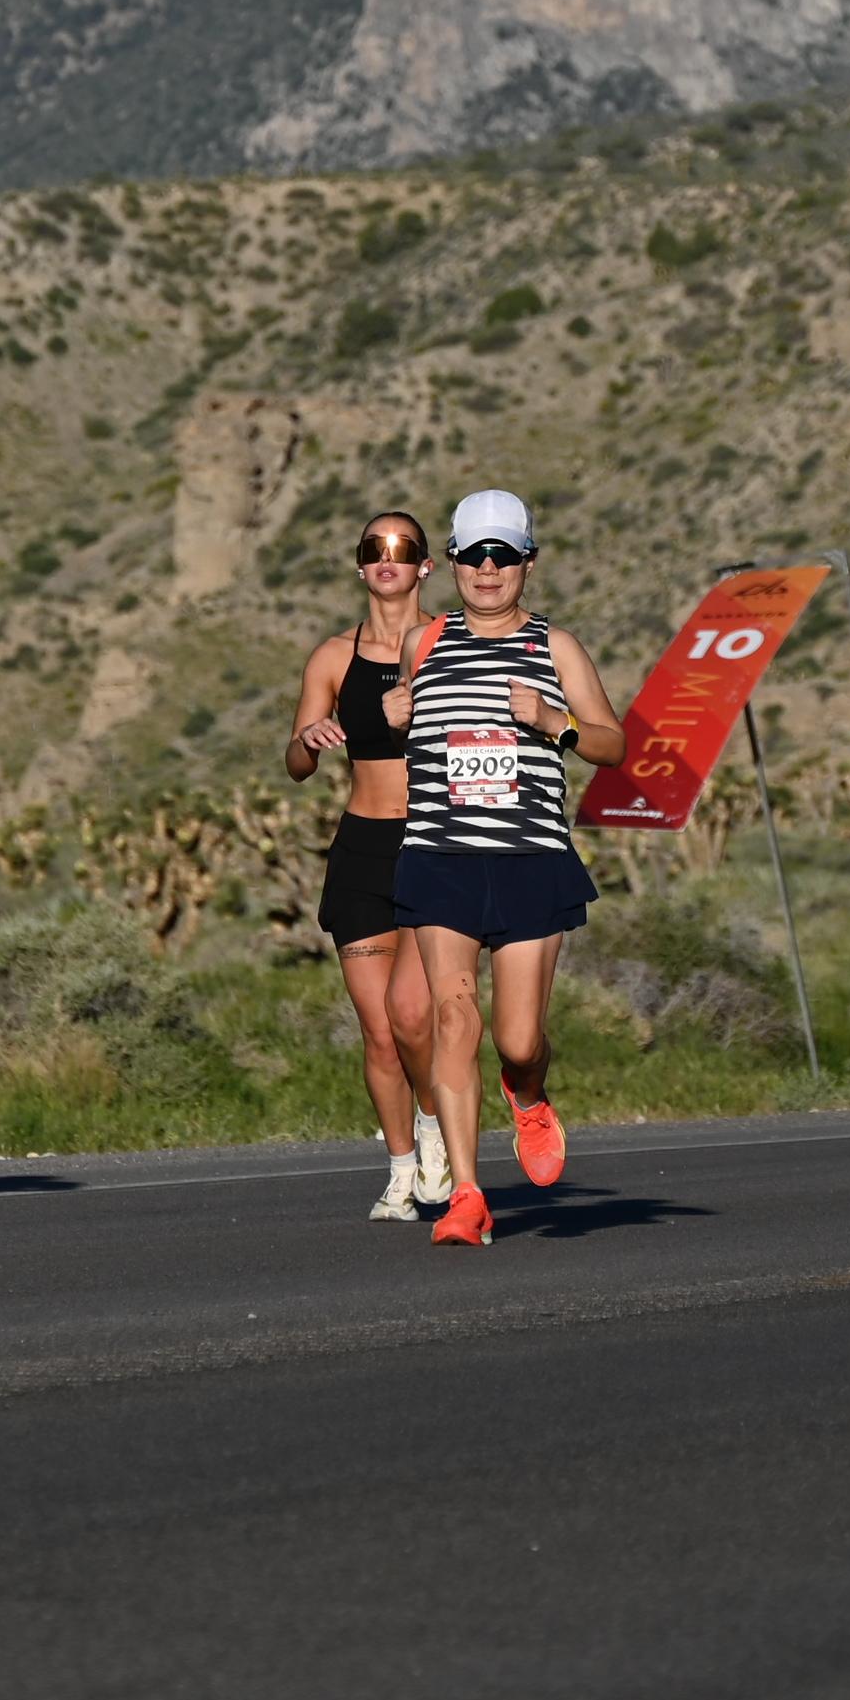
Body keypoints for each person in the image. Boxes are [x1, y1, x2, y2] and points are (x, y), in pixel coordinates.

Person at [384, 490, 620, 1247]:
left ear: (528, 563)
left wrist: (556, 722)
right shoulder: (422, 643)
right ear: (452, 562)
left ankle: (529, 1094)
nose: (488, 570)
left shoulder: (556, 647)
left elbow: (613, 744)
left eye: (504, 556)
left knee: (518, 1041)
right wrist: (392, 716)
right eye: (475, 556)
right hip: (441, 856)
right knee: (455, 1020)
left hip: (528, 859)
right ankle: (467, 1194)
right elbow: (406, 730)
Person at [284, 510, 453, 1219]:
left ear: (424, 567)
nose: (388, 558)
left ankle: (437, 1128)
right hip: (360, 849)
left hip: (433, 844)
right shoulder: (332, 656)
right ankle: (400, 1172)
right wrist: (309, 738)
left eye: (403, 548)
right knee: (379, 1030)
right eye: (374, 548)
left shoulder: (451, 644)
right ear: (360, 566)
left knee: (413, 1019)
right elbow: (295, 765)